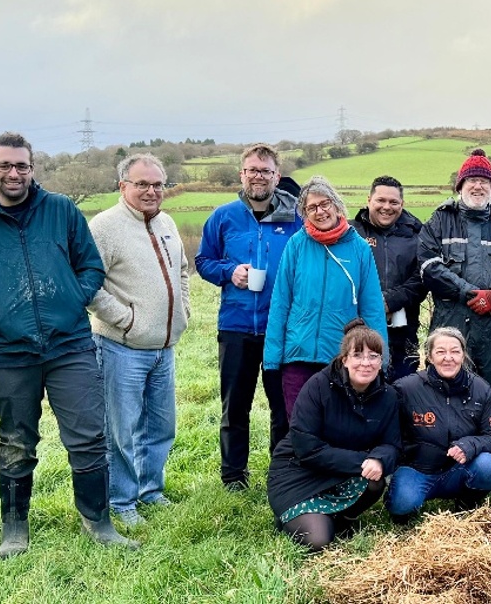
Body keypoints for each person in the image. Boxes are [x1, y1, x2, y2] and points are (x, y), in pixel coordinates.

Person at [0, 133, 137, 557]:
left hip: (68, 344)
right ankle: (14, 529)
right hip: (7, 352)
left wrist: (71, 296)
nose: (14, 173)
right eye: (5, 165)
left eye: (22, 166)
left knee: (88, 435)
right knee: (16, 439)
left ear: (32, 168)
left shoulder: (61, 210)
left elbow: (90, 265)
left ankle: (98, 520)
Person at [87, 153, 191, 526]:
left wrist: (184, 311)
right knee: (122, 429)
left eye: (157, 184)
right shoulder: (105, 227)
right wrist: (126, 320)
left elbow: (181, 269)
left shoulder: (166, 223)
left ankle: (151, 490)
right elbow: (86, 284)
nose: (151, 191)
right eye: (142, 184)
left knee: (161, 425)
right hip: (121, 347)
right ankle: (121, 501)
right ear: (123, 186)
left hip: (164, 347)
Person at [195, 143, 303, 491]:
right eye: (252, 170)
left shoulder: (295, 219)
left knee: (283, 407)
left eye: (266, 171)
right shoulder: (224, 216)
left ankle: (281, 470)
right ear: (242, 174)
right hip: (236, 326)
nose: (259, 176)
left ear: (277, 176)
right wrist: (230, 272)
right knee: (235, 406)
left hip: (281, 328)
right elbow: (203, 262)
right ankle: (233, 476)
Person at [267, 321, 402, 552]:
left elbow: (392, 444)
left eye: (373, 356)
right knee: (318, 540)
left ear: (381, 363)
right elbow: (306, 449)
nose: (366, 363)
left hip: (343, 472)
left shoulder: (388, 395)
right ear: (344, 359)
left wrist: (378, 459)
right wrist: (363, 460)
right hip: (299, 473)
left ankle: (342, 518)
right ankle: (296, 517)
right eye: (358, 355)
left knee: (374, 482)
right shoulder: (317, 386)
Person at [419, 149, 491, 414]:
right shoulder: (439, 221)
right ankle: (447, 451)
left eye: (484, 181)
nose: (478, 186)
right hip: (451, 325)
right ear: (460, 185)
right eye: (472, 181)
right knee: (446, 396)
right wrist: (471, 293)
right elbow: (428, 268)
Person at [265, 176, 388, 417]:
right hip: (297, 357)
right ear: (303, 212)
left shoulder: (359, 248)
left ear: (336, 204)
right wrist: (271, 362)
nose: (320, 211)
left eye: (325, 204)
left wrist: (381, 359)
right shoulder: (296, 245)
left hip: (341, 356)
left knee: (338, 427)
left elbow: (372, 306)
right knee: (299, 427)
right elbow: (280, 303)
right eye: (312, 207)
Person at [387, 327, 491, 522]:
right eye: (440, 352)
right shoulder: (405, 388)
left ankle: (466, 504)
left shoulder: (482, 390)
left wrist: (469, 445)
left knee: (488, 466)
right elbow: (389, 433)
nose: (448, 358)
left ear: (463, 355)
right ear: (430, 356)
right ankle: (406, 505)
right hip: (417, 469)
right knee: (402, 504)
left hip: (457, 470)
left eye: (455, 351)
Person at [350, 175, 427, 381]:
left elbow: (422, 279)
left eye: (393, 202)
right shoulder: (351, 233)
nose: (387, 207)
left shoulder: (418, 235)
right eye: (380, 201)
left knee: (402, 393)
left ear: (402, 204)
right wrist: (374, 303)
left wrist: (390, 301)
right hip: (358, 329)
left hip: (403, 333)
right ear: (368, 200)